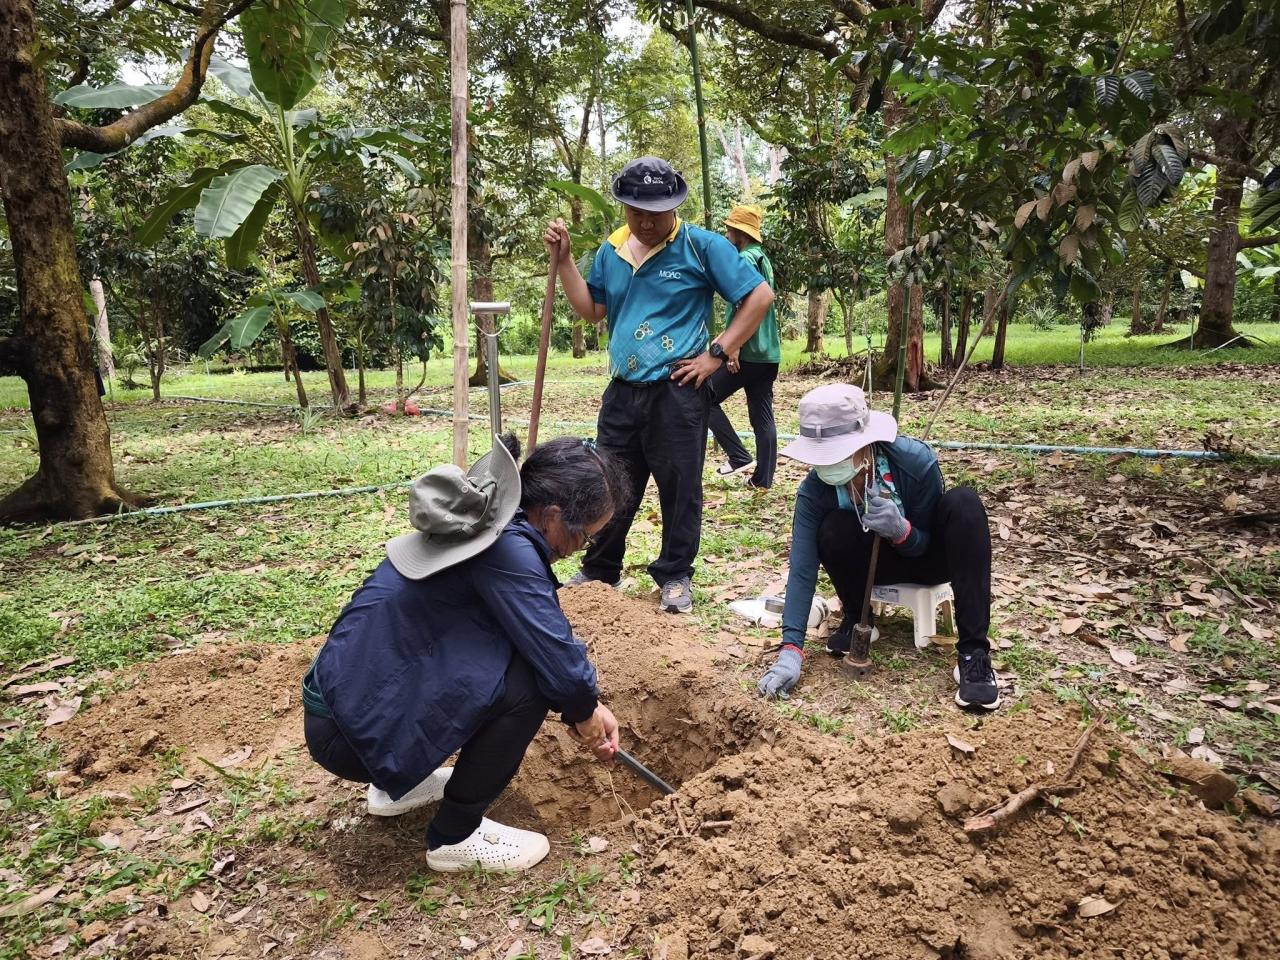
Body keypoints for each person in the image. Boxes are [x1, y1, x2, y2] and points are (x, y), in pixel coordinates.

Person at [302, 435, 631, 873]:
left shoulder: (487, 518)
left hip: (340, 709)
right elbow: (556, 659)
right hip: (348, 738)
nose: (580, 549)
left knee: (520, 660)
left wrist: (585, 705)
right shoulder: (508, 550)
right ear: (553, 515)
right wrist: (584, 710)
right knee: (532, 683)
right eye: (585, 537)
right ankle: (455, 836)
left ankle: (394, 785)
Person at [544, 156, 775, 615]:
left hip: (677, 389)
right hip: (622, 390)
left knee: (680, 486)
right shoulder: (611, 251)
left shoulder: (701, 246)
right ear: (624, 207)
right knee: (608, 482)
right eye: (637, 212)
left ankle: (674, 574)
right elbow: (592, 310)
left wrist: (717, 353)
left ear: (674, 206)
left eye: (657, 212)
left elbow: (759, 296)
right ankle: (600, 568)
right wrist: (565, 260)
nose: (647, 222)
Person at [756, 384, 1000, 710]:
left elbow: (925, 544)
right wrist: (791, 650)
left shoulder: (915, 463)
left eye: (837, 453)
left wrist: (902, 531)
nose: (828, 464)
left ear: (864, 443)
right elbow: (802, 569)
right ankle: (858, 618)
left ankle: (973, 655)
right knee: (832, 528)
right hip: (875, 568)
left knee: (964, 503)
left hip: (927, 558)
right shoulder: (815, 491)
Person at [707, 204, 781, 489]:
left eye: (729, 230)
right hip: (768, 354)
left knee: (704, 396)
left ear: (739, 232)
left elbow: (744, 303)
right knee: (762, 415)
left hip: (747, 352)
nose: (727, 235)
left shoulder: (745, 259)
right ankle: (763, 480)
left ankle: (738, 455)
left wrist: (733, 345)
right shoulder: (763, 259)